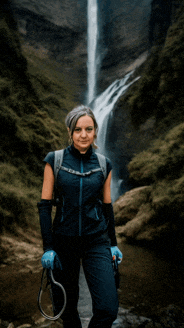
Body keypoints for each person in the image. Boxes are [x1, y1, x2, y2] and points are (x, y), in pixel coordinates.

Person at [37, 105, 123, 328]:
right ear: (70, 131)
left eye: (89, 129)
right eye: (78, 129)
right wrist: (48, 247)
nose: (83, 135)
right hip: (63, 242)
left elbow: (107, 207)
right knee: (66, 309)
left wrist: (113, 244)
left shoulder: (105, 164)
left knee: (107, 309)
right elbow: (44, 206)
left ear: (95, 131)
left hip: (96, 242)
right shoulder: (54, 160)